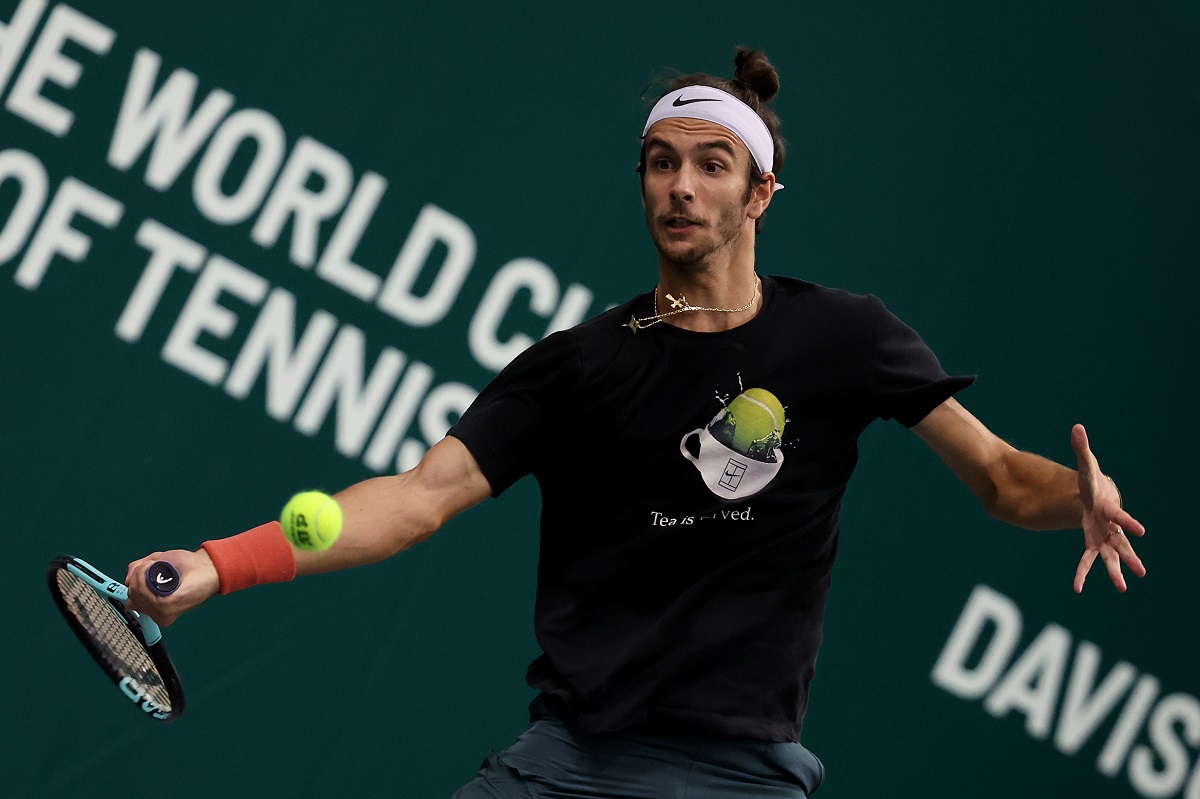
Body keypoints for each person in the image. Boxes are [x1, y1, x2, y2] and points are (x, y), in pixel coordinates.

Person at [126, 47, 1145, 798]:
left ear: (761, 193)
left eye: (711, 164)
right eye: (661, 162)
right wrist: (220, 562)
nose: (681, 185)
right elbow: (416, 499)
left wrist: (1080, 495)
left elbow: (1001, 476)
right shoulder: (579, 366)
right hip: (568, 760)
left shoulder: (845, 338)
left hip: (740, 774)